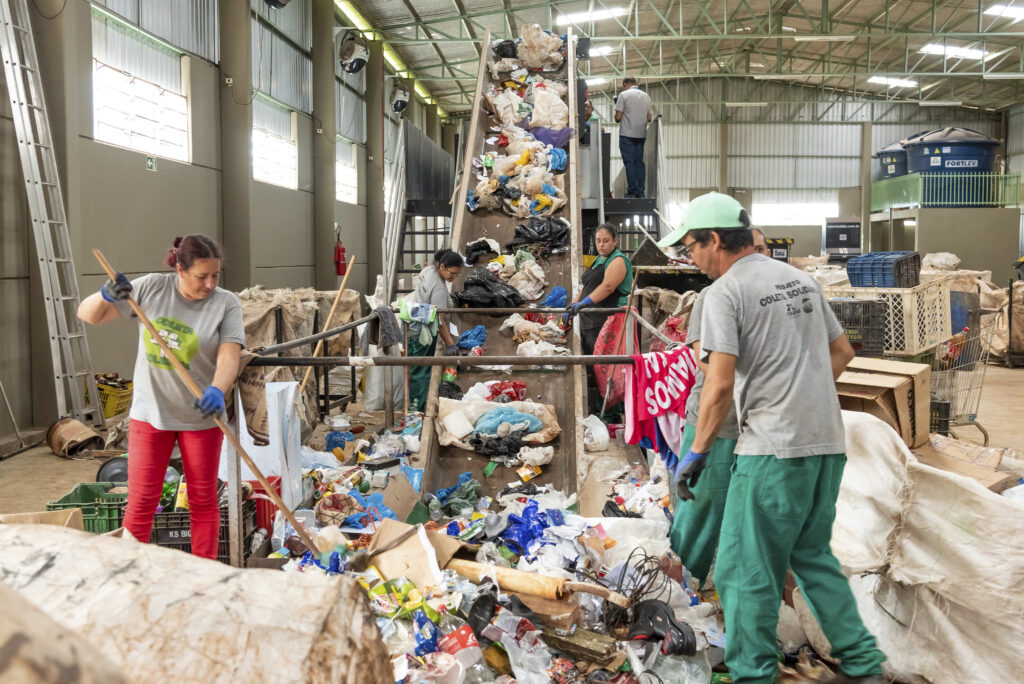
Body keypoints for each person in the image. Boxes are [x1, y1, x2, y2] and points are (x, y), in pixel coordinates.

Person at [670, 192, 886, 684]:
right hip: (826, 444)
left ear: (717, 240)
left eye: (692, 248)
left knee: (745, 572)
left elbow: (719, 384)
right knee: (812, 558)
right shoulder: (801, 281)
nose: (692, 259)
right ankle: (864, 664)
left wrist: (698, 452)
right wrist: (798, 394)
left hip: (771, 451)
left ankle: (752, 674)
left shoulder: (725, 293)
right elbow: (842, 353)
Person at [77, 235, 244, 560]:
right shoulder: (152, 289)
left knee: (203, 499)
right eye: (201, 276)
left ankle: (203, 575)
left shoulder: (226, 303)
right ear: (179, 269)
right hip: (150, 414)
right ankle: (131, 574)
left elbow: (229, 358)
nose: (210, 284)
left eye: (215, 275)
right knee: (142, 500)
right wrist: (103, 296)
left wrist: (217, 389)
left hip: (202, 417)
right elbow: (88, 315)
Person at [656, 227, 768, 587]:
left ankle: (723, 585)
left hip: (758, 425)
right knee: (698, 509)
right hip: (714, 424)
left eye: (765, 250)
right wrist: (742, 367)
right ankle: (677, 592)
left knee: (747, 513)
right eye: (756, 249)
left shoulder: (771, 296)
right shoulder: (713, 297)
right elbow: (705, 361)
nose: (760, 258)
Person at [408, 249, 462, 412]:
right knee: (422, 372)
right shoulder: (439, 289)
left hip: (413, 324)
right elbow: (439, 321)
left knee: (415, 369)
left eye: (457, 275)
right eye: (452, 273)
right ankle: (419, 411)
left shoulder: (428, 271)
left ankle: (414, 407)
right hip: (423, 333)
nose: (454, 278)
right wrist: (450, 343)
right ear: (443, 266)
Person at [566, 223, 633, 356]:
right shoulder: (599, 258)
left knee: (603, 362)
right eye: (598, 241)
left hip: (607, 319)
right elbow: (587, 285)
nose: (601, 244)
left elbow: (608, 287)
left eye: (606, 241)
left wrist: (585, 302)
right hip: (591, 319)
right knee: (591, 360)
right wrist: (574, 303)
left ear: (615, 241)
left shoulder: (618, 260)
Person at [614, 77, 652, 198]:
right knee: (639, 163)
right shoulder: (646, 96)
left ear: (626, 84)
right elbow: (649, 118)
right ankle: (641, 192)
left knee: (630, 163)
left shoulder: (623, 95)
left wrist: (625, 112)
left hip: (627, 135)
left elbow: (618, 117)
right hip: (641, 135)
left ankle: (632, 191)